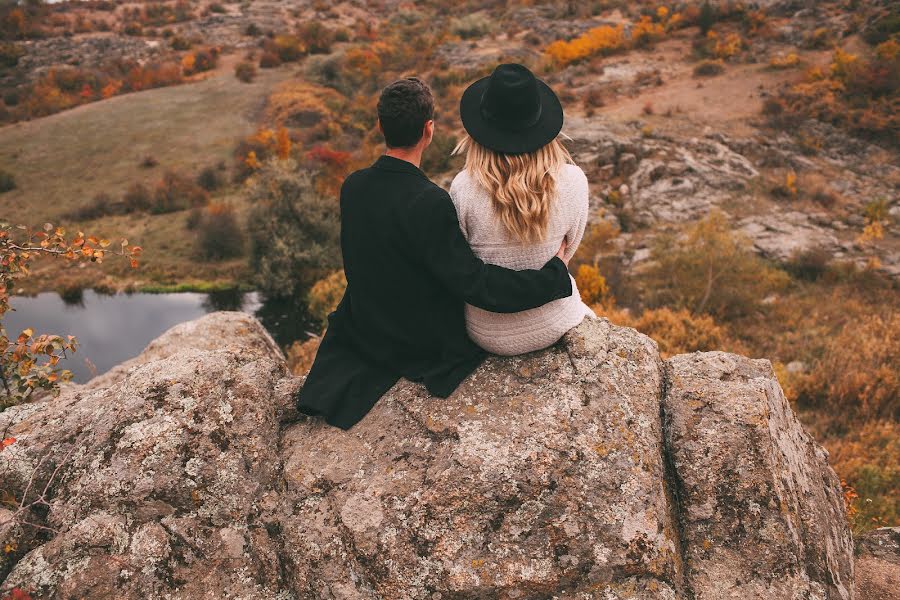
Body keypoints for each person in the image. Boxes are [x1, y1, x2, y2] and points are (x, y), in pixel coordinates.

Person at [295, 77, 574, 430]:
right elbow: (477, 285)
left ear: (380, 126)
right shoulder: (430, 202)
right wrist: (554, 274)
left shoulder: (353, 186)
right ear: (429, 130)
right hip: (418, 340)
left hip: (367, 325)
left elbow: (366, 263)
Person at [450, 63, 595, 356]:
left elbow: (463, 262)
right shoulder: (573, 181)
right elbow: (568, 251)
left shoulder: (462, 188)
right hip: (554, 321)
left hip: (484, 330)